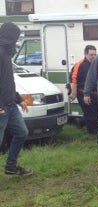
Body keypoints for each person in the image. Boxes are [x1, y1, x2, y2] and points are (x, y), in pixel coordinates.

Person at [0, 22, 32, 176]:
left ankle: (11, 166)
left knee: (21, 133)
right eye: (15, 37)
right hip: (1, 107)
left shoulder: (6, 53)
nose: (16, 41)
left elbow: (8, 82)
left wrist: (19, 99)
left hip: (11, 104)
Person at [69, 45, 98, 134]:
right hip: (82, 93)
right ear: (86, 54)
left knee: (96, 111)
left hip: (96, 93)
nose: (93, 56)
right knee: (91, 113)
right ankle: (92, 132)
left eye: (95, 54)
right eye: (91, 55)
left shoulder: (97, 64)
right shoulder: (79, 65)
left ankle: (81, 122)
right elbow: (73, 80)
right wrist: (73, 94)